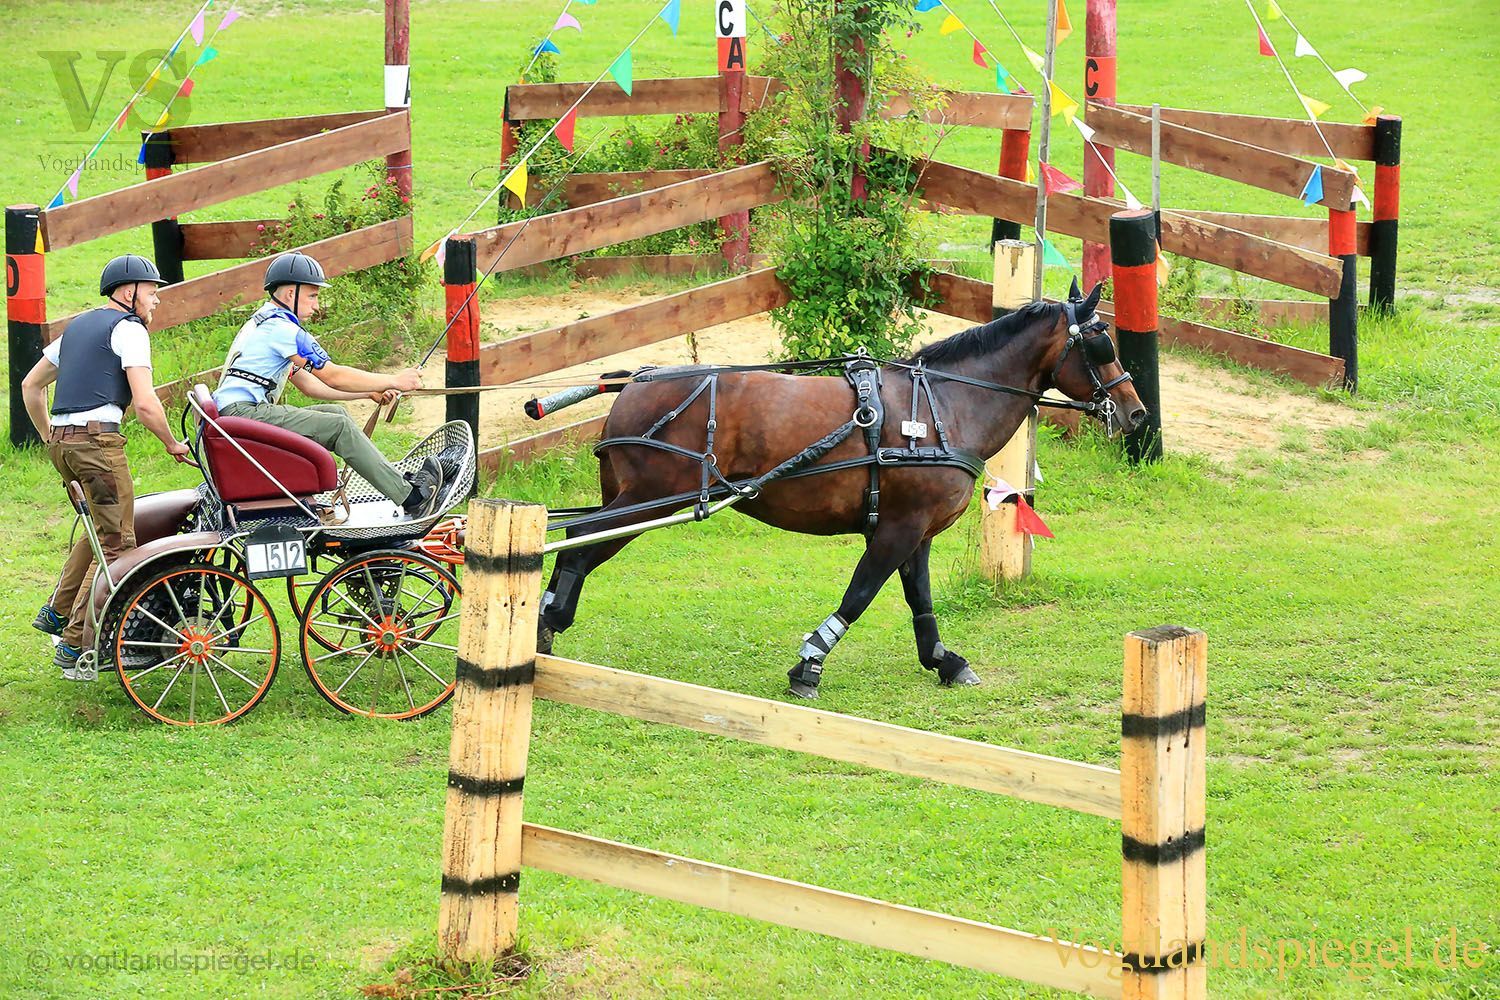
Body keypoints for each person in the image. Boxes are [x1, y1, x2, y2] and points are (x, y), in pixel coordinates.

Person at [22, 254, 190, 679]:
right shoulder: (129, 330)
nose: (156, 301)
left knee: (102, 532)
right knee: (118, 546)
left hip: (64, 444)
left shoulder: (77, 327)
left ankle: (57, 612)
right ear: (128, 291)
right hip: (98, 442)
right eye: (152, 292)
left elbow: (31, 386)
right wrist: (172, 443)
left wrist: (50, 439)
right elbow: (148, 403)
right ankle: (76, 647)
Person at [210, 252, 453, 517]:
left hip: (237, 413)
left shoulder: (265, 322)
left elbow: (311, 385)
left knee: (335, 415)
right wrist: (395, 380)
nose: (316, 306)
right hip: (243, 414)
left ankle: (397, 483)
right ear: (291, 294)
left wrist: (367, 391)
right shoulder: (283, 330)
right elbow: (332, 375)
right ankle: (411, 497)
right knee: (338, 427)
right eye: (313, 296)